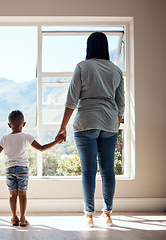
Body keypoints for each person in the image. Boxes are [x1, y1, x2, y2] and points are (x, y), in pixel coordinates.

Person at [55, 32, 125, 227]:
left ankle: (89, 215)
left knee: (88, 170)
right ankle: (108, 213)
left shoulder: (82, 67)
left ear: (89, 47)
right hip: (110, 123)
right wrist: (114, 124)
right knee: (107, 169)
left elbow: (71, 100)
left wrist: (62, 127)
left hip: (86, 121)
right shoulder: (116, 70)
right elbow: (121, 105)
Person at [0, 110, 63, 227]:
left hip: (10, 169)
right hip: (23, 169)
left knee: (12, 194)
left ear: (9, 125)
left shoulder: (4, 138)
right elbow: (41, 148)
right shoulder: (26, 136)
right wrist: (56, 141)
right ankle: (22, 218)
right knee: (22, 194)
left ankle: (14, 217)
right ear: (24, 124)